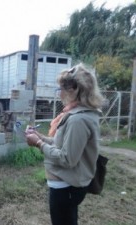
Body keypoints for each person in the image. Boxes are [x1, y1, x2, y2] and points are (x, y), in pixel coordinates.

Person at [25, 64, 104, 225]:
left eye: (60, 89)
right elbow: (61, 144)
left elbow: (67, 159)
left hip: (65, 188)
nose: (59, 94)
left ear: (74, 90)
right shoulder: (79, 115)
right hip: (66, 186)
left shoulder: (78, 120)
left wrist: (39, 143)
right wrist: (39, 136)